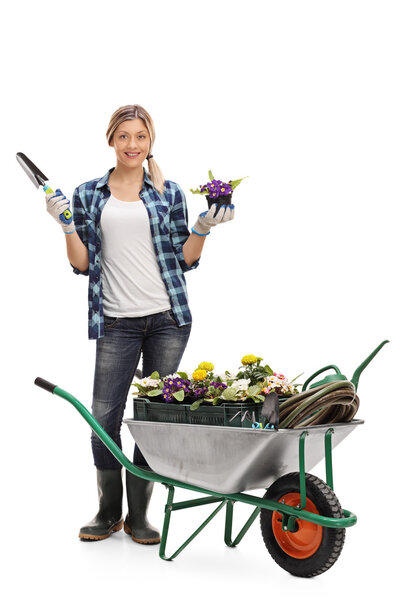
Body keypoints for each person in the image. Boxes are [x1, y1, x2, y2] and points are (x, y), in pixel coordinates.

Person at [45, 104, 235, 544]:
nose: (132, 145)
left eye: (141, 137)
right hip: (115, 320)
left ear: (151, 142)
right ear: (111, 139)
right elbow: (83, 264)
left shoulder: (168, 193)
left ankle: (139, 516)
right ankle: (107, 511)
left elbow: (183, 259)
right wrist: (66, 225)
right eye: (124, 136)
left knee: (150, 418)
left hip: (168, 319)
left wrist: (203, 226)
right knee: (104, 416)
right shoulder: (89, 193)